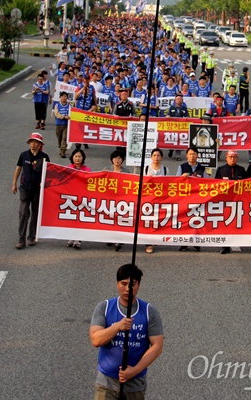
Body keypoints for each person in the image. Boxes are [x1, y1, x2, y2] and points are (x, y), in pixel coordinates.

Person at [90, 263, 163, 400]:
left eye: (132, 284)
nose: (127, 288)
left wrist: (133, 371)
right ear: (117, 284)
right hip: (106, 383)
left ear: (139, 285)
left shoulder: (149, 311)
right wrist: (117, 326)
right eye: (123, 283)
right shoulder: (104, 307)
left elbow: (157, 346)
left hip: (135, 383)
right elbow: (96, 339)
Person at [12, 132, 50, 249]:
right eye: (32, 142)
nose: (34, 144)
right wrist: (14, 183)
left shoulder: (44, 157)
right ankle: (21, 239)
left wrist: (46, 185)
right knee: (23, 213)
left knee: (35, 213)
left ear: (40, 145)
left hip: (38, 190)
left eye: (36, 142)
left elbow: (49, 172)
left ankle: (32, 236)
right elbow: (18, 168)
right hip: (25, 188)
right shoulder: (24, 155)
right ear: (29, 143)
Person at [214, 150, 246, 255]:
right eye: (230, 157)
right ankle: (225, 246)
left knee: (237, 222)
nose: (232, 159)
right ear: (226, 158)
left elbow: (247, 185)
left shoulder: (242, 170)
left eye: (234, 157)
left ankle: (237, 242)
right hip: (225, 202)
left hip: (238, 201)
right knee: (225, 223)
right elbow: (215, 185)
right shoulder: (221, 169)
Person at [177, 146, 208, 251]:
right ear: (187, 155)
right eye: (190, 154)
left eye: (194, 154)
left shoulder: (202, 168)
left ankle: (196, 242)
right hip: (185, 198)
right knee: (185, 220)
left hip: (198, 198)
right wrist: (182, 177)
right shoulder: (182, 167)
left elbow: (207, 183)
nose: (192, 156)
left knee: (197, 220)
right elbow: (176, 182)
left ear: (197, 155)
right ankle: (184, 243)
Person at [144, 148, 169, 254]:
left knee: (158, 220)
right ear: (151, 157)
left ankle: (156, 240)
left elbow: (169, 184)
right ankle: (148, 243)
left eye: (158, 156)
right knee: (148, 220)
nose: (156, 158)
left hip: (160, 199)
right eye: (154, 155)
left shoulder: (165, 169)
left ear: (161, 157)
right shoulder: (145, 169)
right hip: (148, 199)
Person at [104, 150, 130, 252]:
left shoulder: (126, 171)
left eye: (119, 158)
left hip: (121, 199)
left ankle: (117, 240)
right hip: (109, 198)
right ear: (112, 160)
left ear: (122, 160)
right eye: (115, 158)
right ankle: (110, 238)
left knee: (118, 219)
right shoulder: (107, 169)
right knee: (109, 219)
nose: (117, 160)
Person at [67, 148, 91, 249]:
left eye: (79, 157)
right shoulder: (68, 168)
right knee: (71, 218)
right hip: (70, 197)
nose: (77, 158)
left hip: (82, 197)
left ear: (83, 158)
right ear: (72, 157)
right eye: (76, 156)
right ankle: (71, 237)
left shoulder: (87, 170)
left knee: (80, 218)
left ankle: (78, 240)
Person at [167, 93, 189, 159]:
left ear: (182, 101)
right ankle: (171, 150)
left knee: (179, 140)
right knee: (173, 140)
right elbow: (167, 115)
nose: (179, 100)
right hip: (173, 127)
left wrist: (186, 118)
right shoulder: (171, 108)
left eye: (180, 99)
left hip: (181, 127)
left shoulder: (184, 108)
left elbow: (187, 116)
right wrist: (168, 116)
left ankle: (177, 155)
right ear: (175, 100)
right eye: (177, 99)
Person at [53, 91, 70, 158]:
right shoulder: (57, 105)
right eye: (62, 96)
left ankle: (63, 151)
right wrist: (63, 116)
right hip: (58, 125)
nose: (64, 98)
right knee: (59, 138)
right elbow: (57, 114)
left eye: (65, 96)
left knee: (64, 139)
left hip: (66, 125)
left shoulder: (69, 106)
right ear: (60, 97)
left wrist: (68, 117)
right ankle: (61, 148)